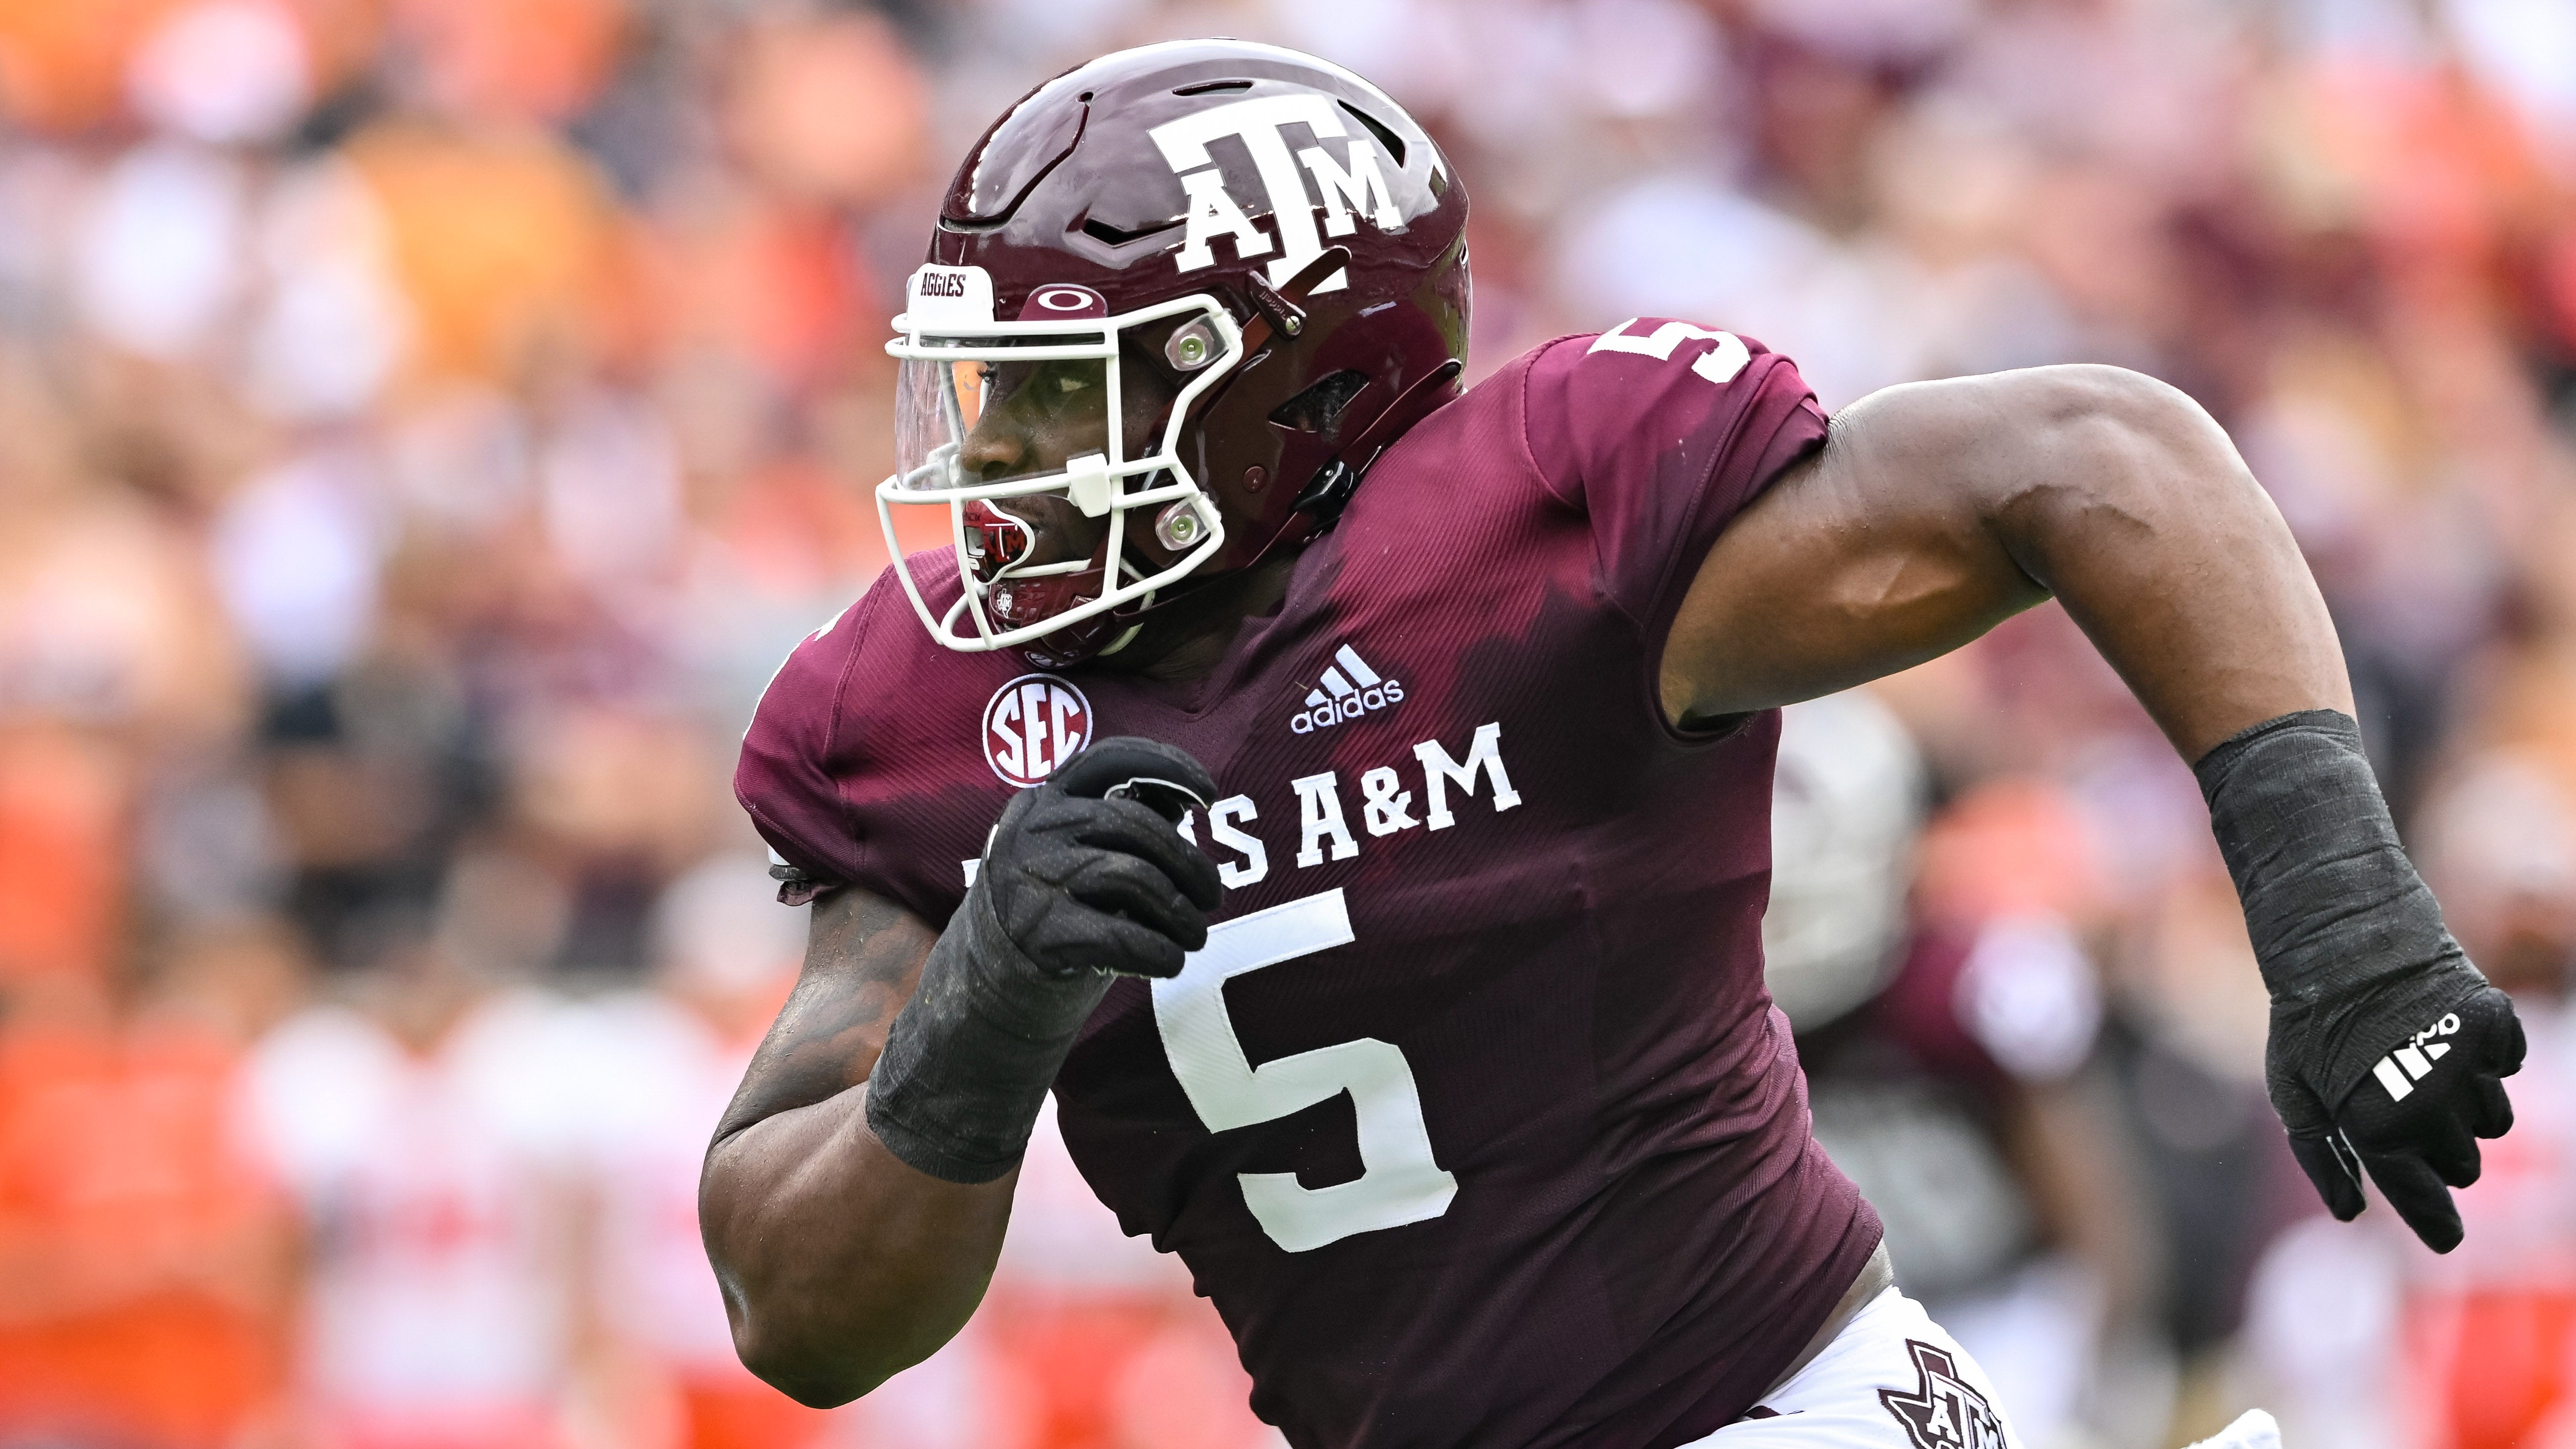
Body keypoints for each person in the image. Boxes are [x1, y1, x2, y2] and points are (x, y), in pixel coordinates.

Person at [705, 38, 2517, 1449]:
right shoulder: (921, 713)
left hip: (1776, 1406)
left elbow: (2101, 453)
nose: (999, 464)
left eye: (1062, 400)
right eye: (988, 398)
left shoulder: (1537, 542)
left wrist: (2339, 917)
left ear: (1290, 383)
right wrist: (978, 1017)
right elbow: (799, 1318)